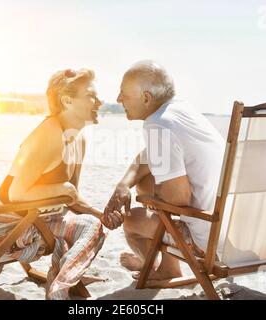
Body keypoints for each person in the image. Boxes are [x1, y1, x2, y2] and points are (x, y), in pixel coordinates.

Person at [0, 68, 105, 299]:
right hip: (1, 229)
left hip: (32, 221)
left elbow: (72, 197)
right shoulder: (50, 135)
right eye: (91, 96)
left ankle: (65, 274)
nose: (100, 101)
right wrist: (62, 189)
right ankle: (59, 290)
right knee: (91, 229)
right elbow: (17, 194)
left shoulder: (78, 138)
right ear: (67, 100)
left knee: (93, 222)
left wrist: (98, 212)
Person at [104, 60, 225, 281]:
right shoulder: (181, 112)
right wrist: (123, 185)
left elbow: (178, 198)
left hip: (209, 241)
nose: (118, 99)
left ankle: (166, 269)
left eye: (123, 94)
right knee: (149, 177)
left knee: (131, 220)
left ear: (146, 98)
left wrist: (150, 199)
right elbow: (148, 156)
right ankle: (151, 261)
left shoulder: (158, 124)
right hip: (236, 232)